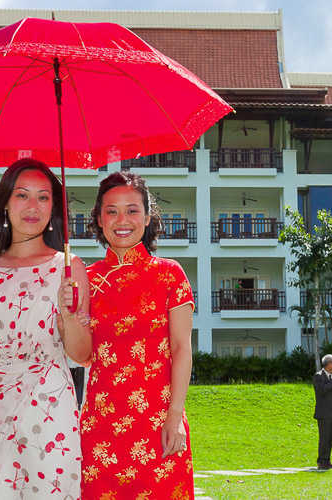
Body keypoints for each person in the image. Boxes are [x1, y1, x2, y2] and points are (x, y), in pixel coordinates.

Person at [0, 159, 91, 500]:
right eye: (22, 195)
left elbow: (82, 355)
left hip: (46, 406)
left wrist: (69, 314)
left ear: (54, 207)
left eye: (43, 197)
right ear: (5, 203)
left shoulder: (68, 268)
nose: (32, 206)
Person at [81, 171, 197, 498]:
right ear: (99, 219)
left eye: (132, 210)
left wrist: (174, 417)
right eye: (112, 210)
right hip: (100, 428)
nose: (123, 219)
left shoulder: (170, 275)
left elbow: (181, 348)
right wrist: (68, 312)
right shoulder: (85, 280)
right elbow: (81, 355)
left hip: (160, 422)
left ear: (147, 217)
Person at [312, 354, 332, 469]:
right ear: (329, 364)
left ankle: (327, 460)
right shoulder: (318, 376)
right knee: (324, 438)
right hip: (324, 413)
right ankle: (321, 460)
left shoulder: (330, 377)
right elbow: (322, 389)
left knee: (330, 438)